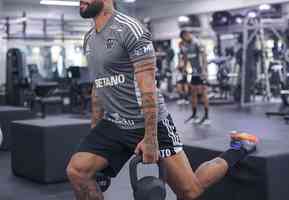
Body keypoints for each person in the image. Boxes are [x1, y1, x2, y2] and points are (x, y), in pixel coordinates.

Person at [66, 1, 259, 200]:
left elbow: (147, 86)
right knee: (77, 171)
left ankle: (239, 148)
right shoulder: (89, 38)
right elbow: (99, 86)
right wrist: (96, 130)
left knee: (190, 191)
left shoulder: (131, 29)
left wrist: (150, 138)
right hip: (115, 122)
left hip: (149, 122)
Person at [179, 30, 210, 125]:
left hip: (201, 72)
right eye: (183, 39)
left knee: (203, 93)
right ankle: (194, 115)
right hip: (194, 72)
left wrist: (204, 70)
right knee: (193, 93)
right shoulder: (186, 45)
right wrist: (184, 69)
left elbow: (204, 56)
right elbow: (185, 58)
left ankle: (206, 117)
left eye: (185, 37)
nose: (184, 39)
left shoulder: (197, 43)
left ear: (187, 35)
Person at [176, 41, 190, 105]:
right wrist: (177, 67)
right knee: (181, 85)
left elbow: (186, 62)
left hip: (183, 70)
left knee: (183, 84)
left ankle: (185, 99)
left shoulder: (185, 53)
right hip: (180, 69)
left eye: (180, 45)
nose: (179, 47)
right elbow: (179, 61)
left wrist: (184, 70)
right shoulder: (180, 53)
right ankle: (183, 99)